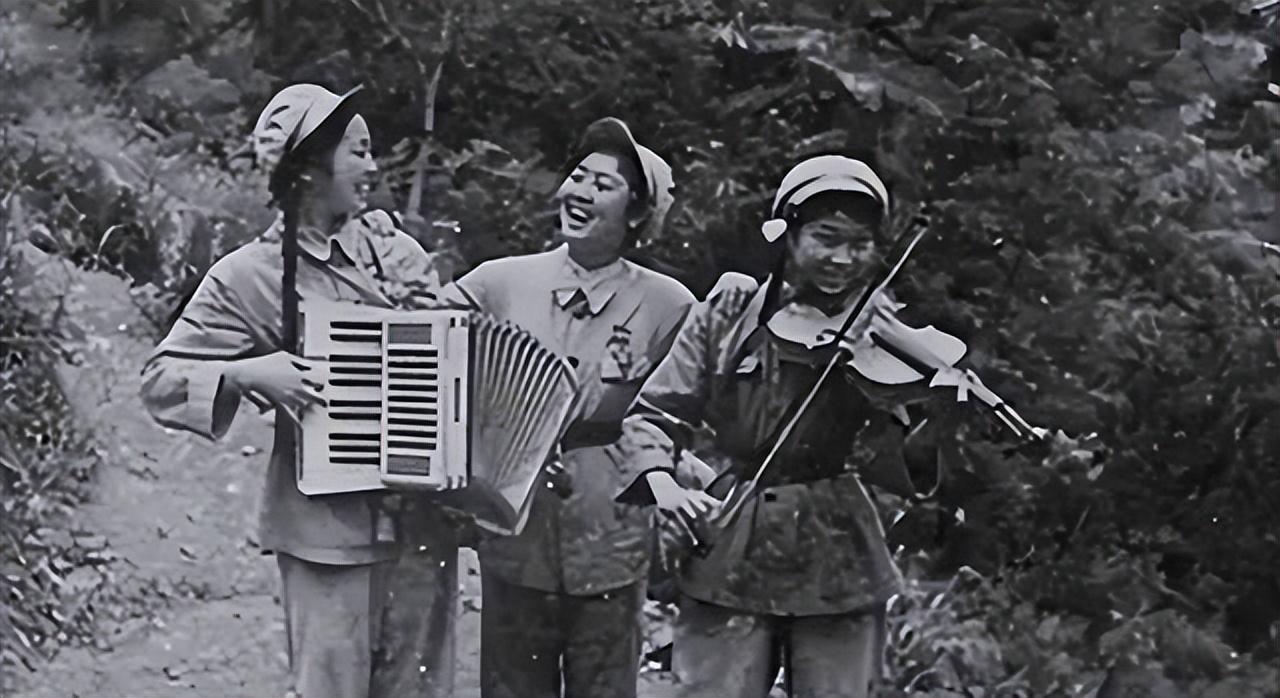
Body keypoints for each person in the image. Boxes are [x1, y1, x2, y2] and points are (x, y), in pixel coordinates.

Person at [139, 84, 458, 698]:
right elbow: (160, 380)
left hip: (421, 528)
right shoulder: (247, 275)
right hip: (326, 536)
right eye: (358, 152)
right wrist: (246, 374)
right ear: (309, 167)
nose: (373, 168)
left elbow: (450, 367)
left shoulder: (399, 254)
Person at [615, 155, 973, 698]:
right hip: (732, 536)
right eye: (826, 238)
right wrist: (662, 482)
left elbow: (900, 470)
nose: (843, 259)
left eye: (860, 245)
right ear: (787, 232)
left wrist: (938, 421)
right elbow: (657, 413)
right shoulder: (729, 312)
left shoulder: (884, 336)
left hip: (839, 550)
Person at [445, 117, 696, 698]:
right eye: (578, 176)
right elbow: (418, 341)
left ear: (637, 214)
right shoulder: (497, 282)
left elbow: (686, 404)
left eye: (603, 185)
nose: (579, 192)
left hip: (612, 533)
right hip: (514, 525)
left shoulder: (669, 304)